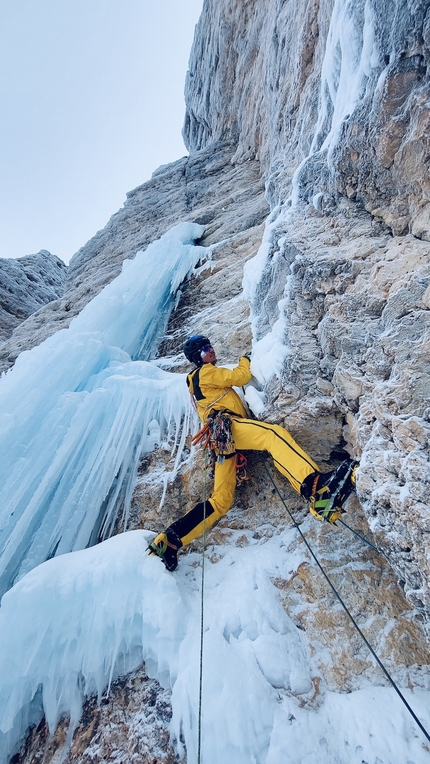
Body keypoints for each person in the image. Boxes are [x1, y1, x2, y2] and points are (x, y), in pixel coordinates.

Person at [149, 335, 357, 571]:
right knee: (272, 435)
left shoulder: (196, 383)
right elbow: (241, 376)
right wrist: (244, 359)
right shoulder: (205, 372)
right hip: (229, 427)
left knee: (221, 501)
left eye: (211, 345)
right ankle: (317, 487)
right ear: (199, 356)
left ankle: (170, 540)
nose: (212, 349)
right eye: (206, 348)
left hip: (219, 441)